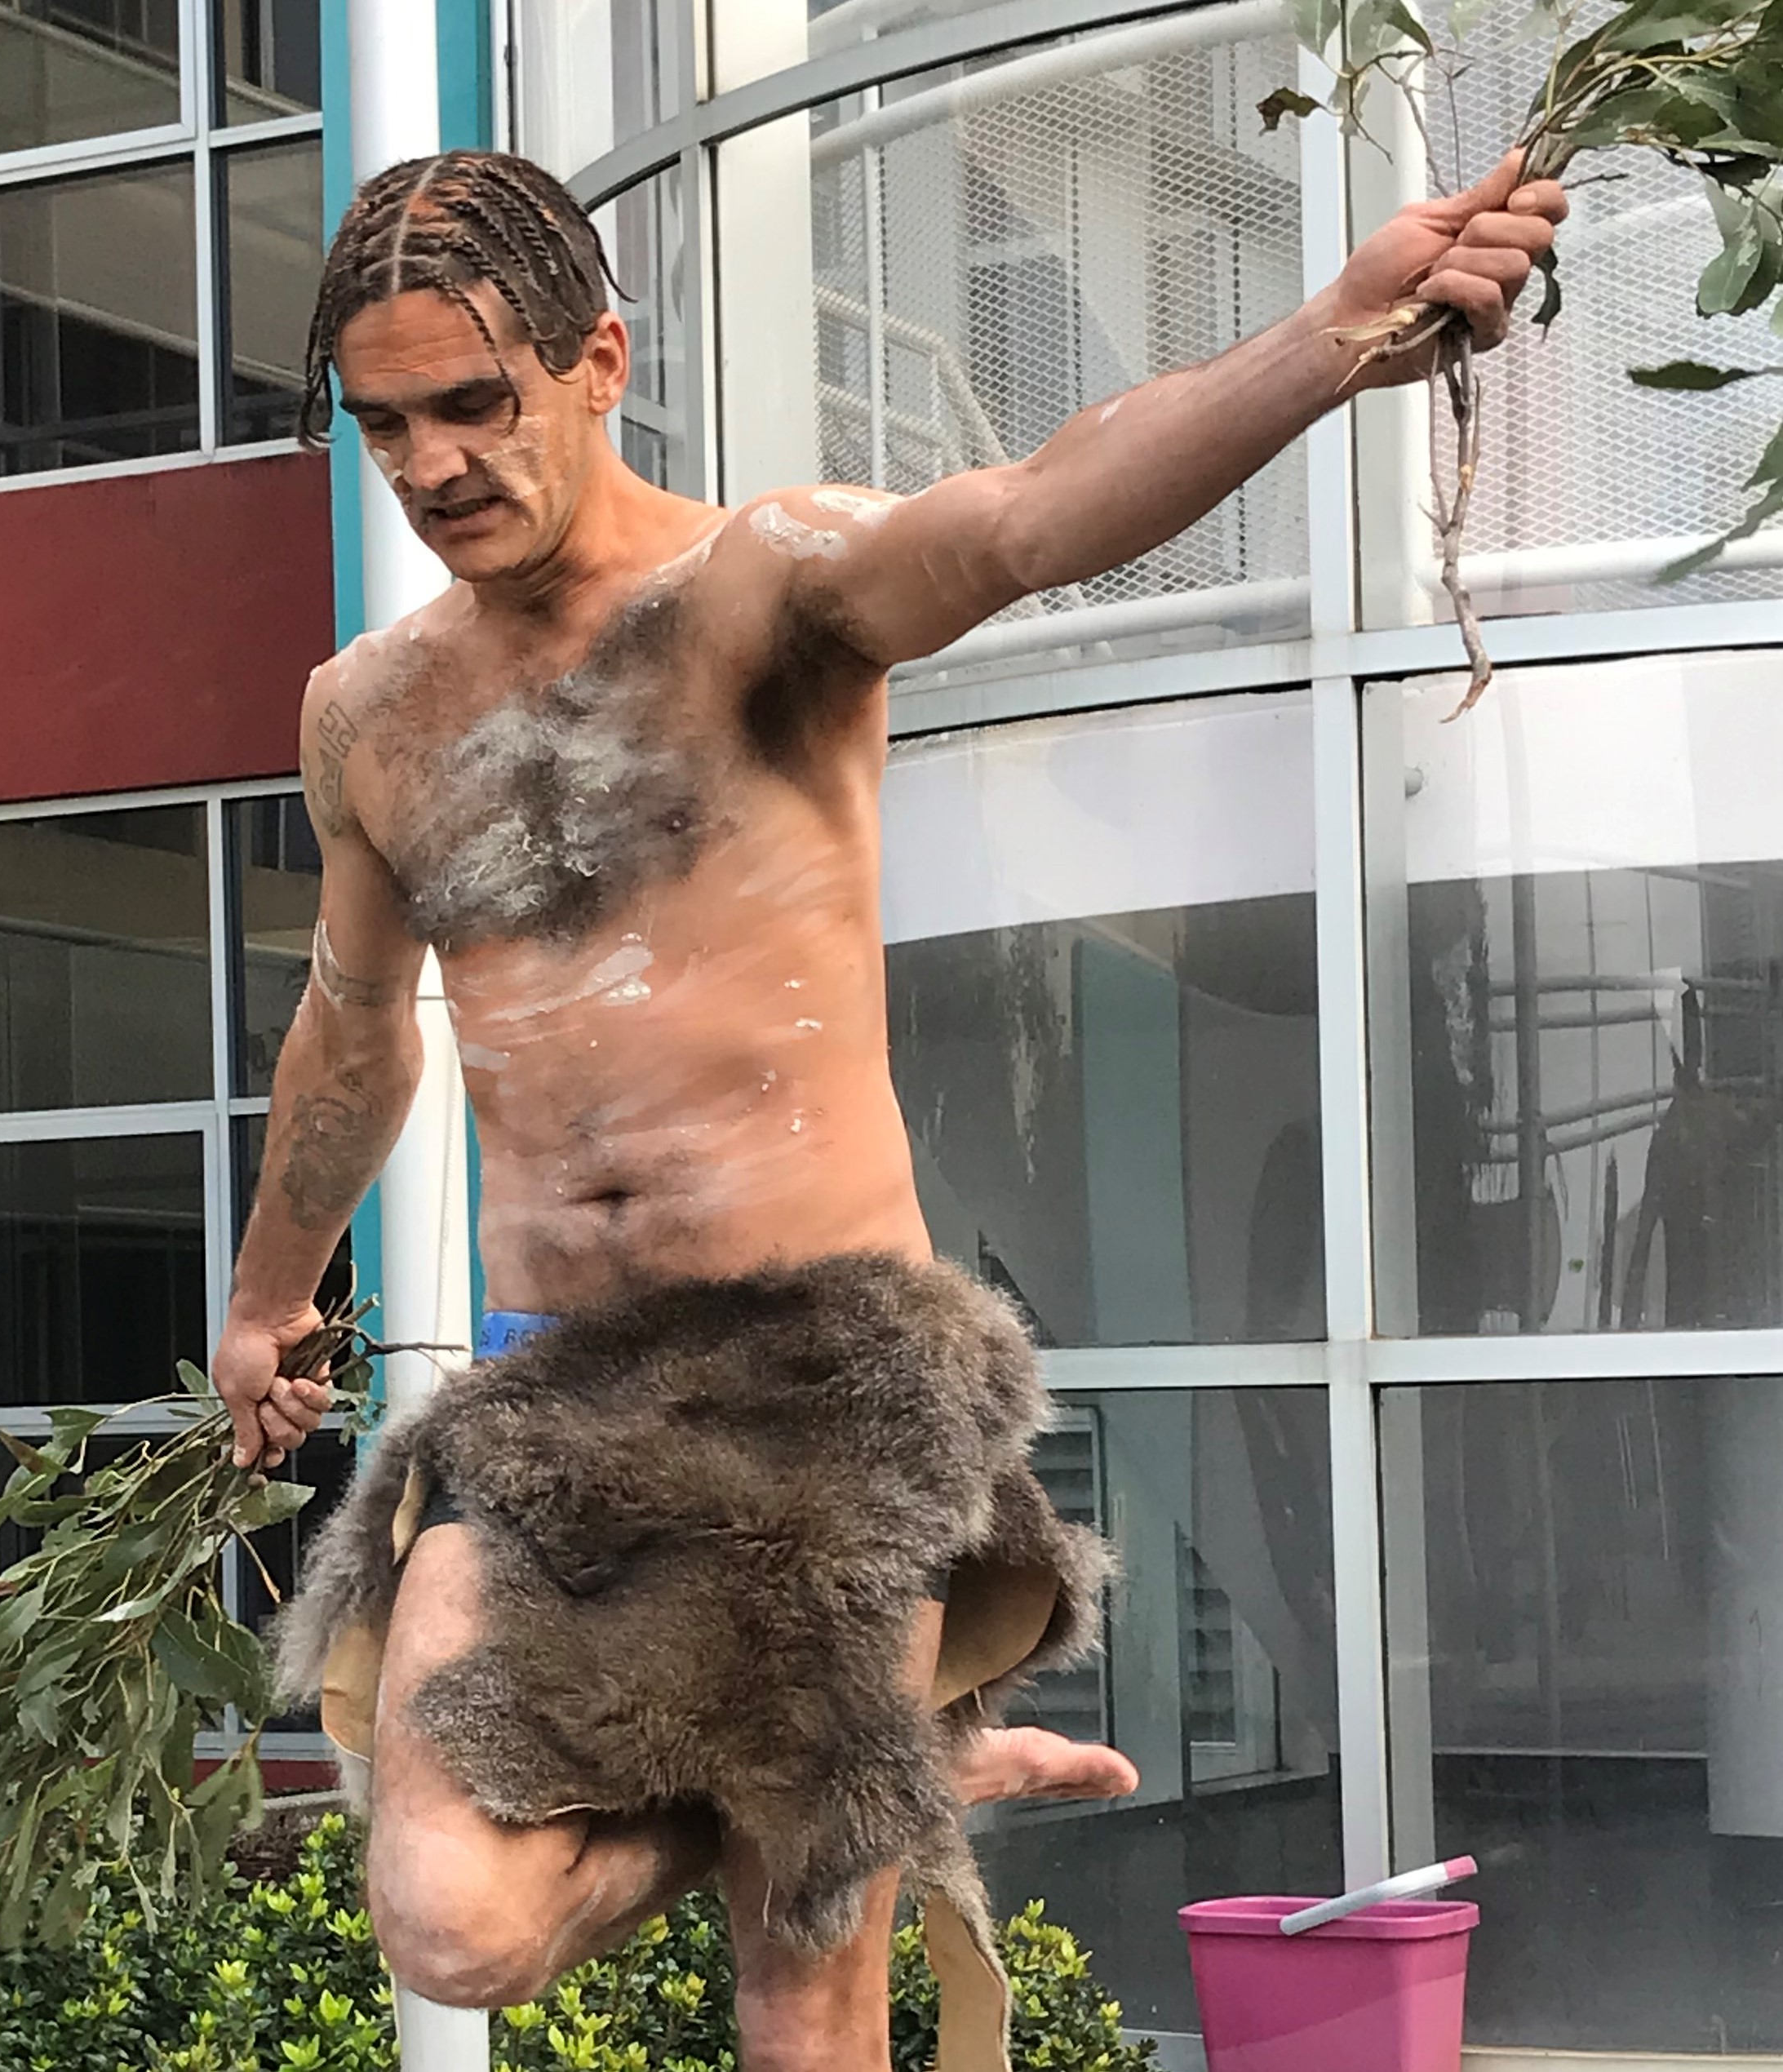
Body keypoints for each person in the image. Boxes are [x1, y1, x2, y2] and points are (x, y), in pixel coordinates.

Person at [211, 148, 1564, 2070]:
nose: (432, 466)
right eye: (386, 424)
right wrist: (270, 1295)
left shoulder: (765, 588)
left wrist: (1340, 334)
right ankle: (878, 1750)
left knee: (806, 1989)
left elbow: (1028, 514)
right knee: (452, 1919)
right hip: (554, 1401)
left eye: (474, 402)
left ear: (598, 361)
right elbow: (353, 1028)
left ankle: (846, 1758)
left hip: (827, 1392)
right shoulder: (369, 713)